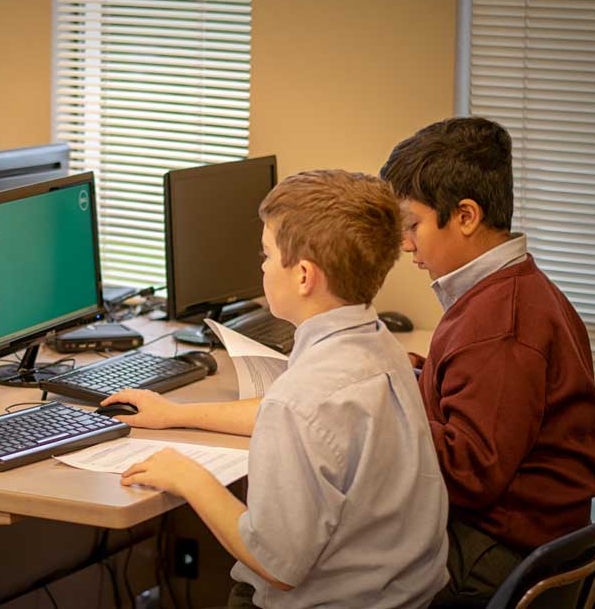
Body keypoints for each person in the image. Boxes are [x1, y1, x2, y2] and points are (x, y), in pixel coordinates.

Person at [108, 170, 450, 609]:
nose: (263, 266)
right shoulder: (377, 342)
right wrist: (174, 414)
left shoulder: (303, 400)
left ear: (304, 276)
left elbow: (276, 564)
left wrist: (190, 478)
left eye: (267, 255)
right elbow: (306, 418)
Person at [379, 117, 595, 607]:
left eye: (412, 225)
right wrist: (421, 376)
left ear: (465, 215)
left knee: (321, 567)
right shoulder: (517, 289)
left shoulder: (500, 324)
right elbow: (487, 398)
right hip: (532, 538)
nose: (405, 245)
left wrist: (385, 404)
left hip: (496, 552)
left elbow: (470, 471)